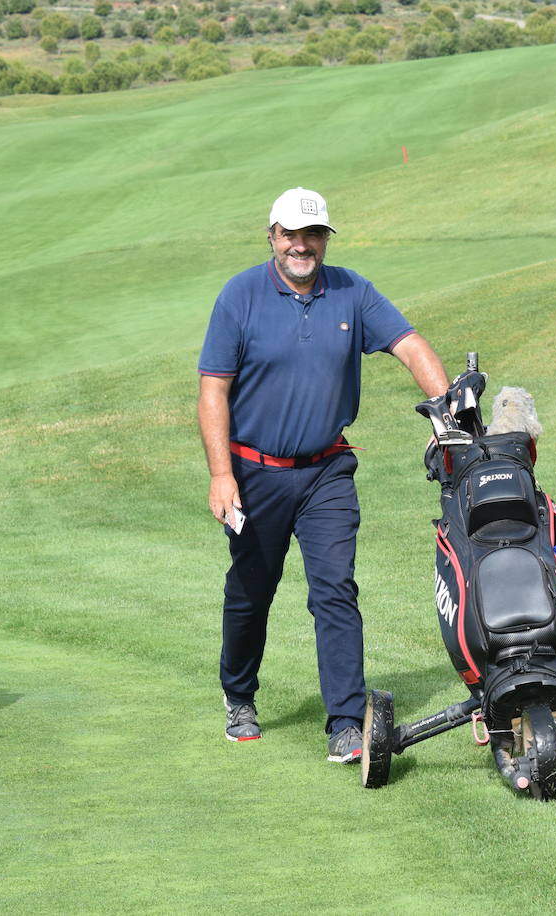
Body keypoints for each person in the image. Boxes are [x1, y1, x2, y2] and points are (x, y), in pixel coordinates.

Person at [198, 188, 448, 763]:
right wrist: (220, 474)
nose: (302, 245)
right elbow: (214, 390)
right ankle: (239, 695)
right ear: (272, 236)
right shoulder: (240, 296)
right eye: (291, 234)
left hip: (326, 472)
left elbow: (410, 346)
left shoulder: (350, 291)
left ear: (325, 239)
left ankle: (345, 721)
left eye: (313, 234)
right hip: (252, 472)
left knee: (335, 589)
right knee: (252, 592)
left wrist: (448, 411)